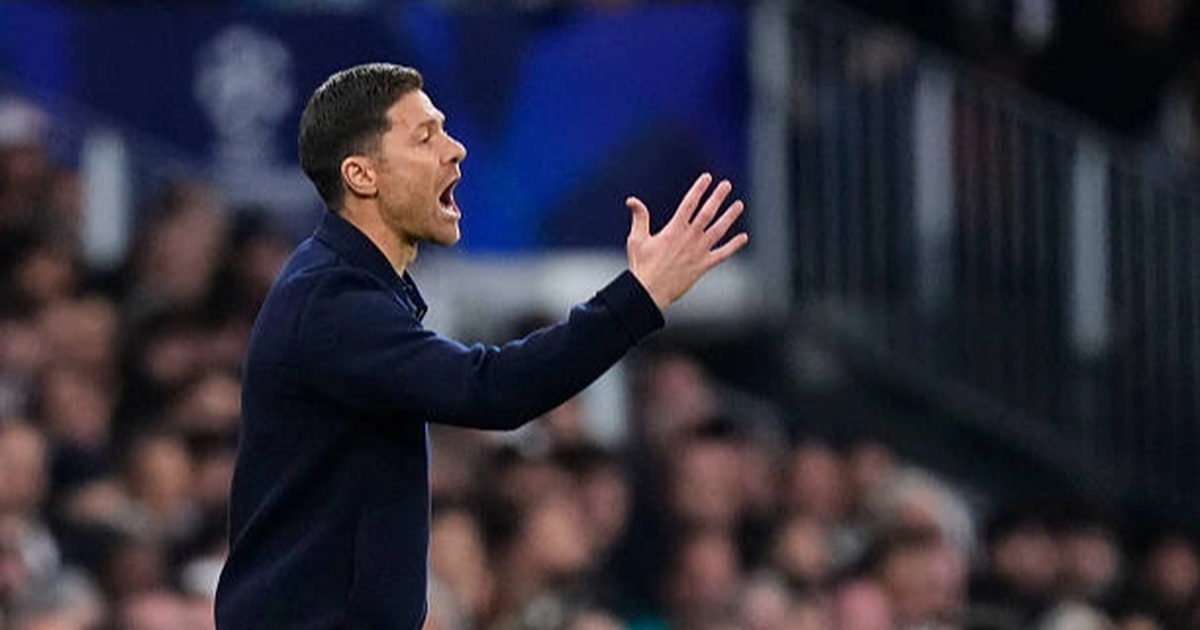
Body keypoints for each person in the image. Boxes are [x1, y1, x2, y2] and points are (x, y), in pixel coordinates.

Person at [213, 62, 748, 630]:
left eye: (445, 129)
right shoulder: (332, 300)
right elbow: (491, 390)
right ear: (362, 175)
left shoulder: (344, 286)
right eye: (426, 137)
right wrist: (640, 296)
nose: (457, 149)